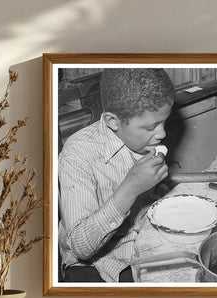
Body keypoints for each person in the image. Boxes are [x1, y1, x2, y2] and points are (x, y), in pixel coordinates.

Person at [58, 68, 176, 282]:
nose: (162, 133)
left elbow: (152, 202)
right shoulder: (78, 153)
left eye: (164, 122)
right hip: (96, 260)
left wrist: (160, 189)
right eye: (150, 127)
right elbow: (81, 247)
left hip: (143, 242)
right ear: (113, 121)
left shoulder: (144, 141)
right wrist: (130, 187)